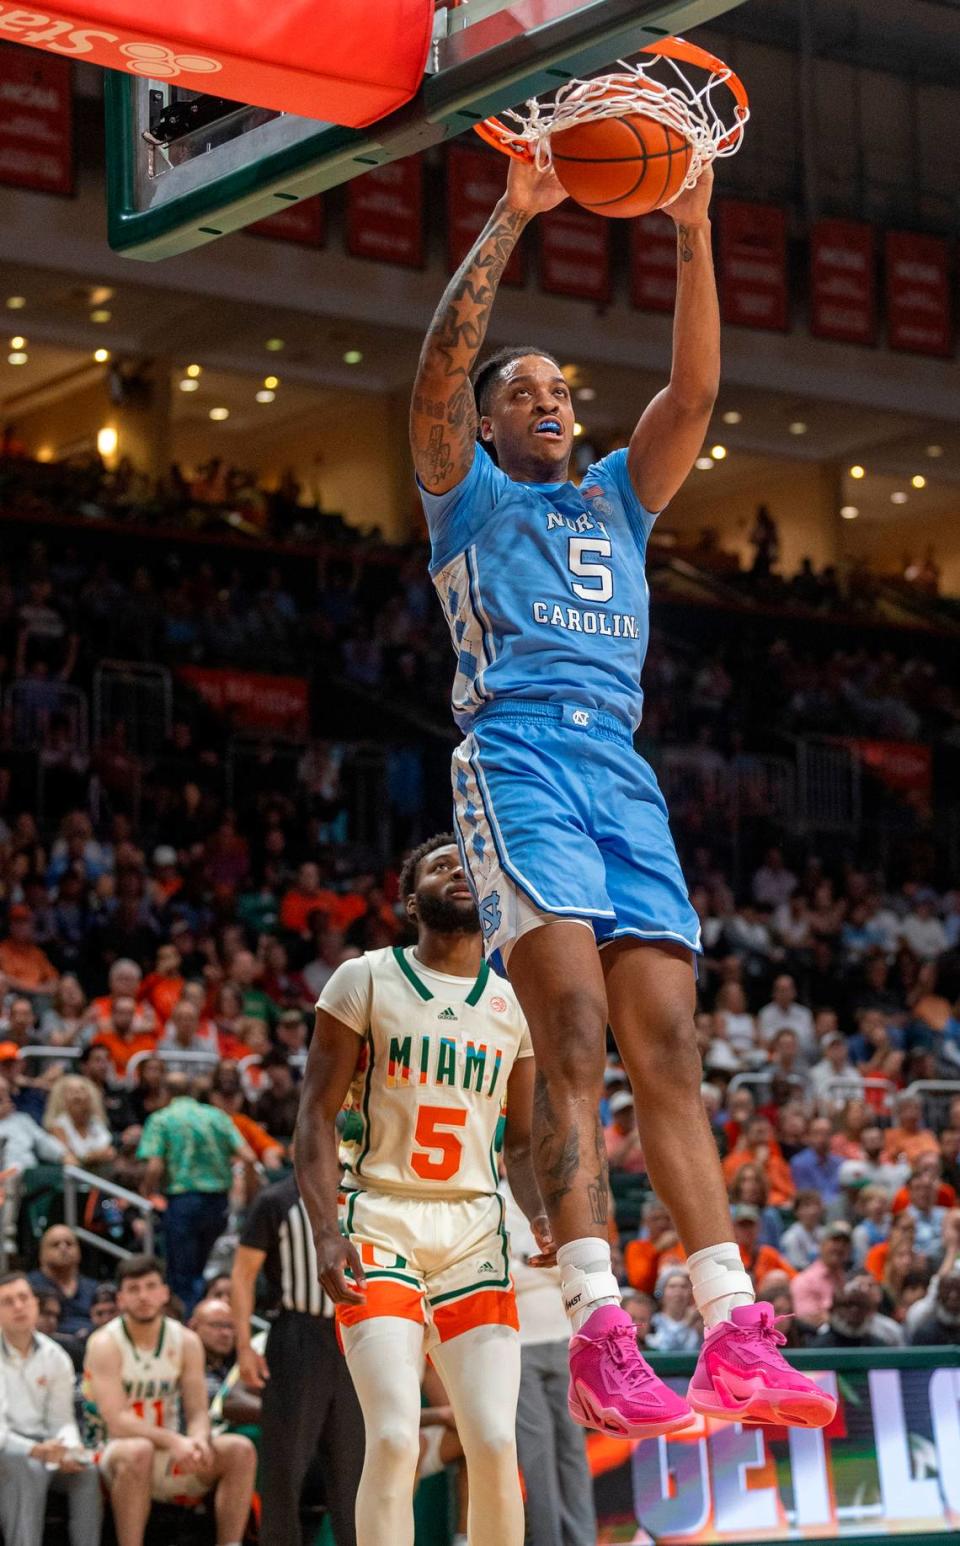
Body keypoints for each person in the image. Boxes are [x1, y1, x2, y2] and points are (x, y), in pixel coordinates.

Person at [408, 153, 833, 1437]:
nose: (547, 399)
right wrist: (513, 216)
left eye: (558, 387)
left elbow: (695, 388)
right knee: (577, 1031)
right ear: (486, 427)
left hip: (621, 769)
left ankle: (733, 1329)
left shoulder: (615, 502)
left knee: (670, 1048)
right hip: (520, 752)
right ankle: (597, 1322)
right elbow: (435, 375)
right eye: (522, 391)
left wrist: (695, 230)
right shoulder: (468, 498)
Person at [295, 834, 541, 1545]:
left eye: (469, 864)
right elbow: (313, 1114)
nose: (458, 871)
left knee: (494, 1441)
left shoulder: (511, 1003)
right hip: (379, 1220)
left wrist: (542, 1215)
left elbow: (520, 1142)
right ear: (412, 902)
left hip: (475, 1229)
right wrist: (324, 1230)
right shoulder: (363, 978)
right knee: (398, 1436)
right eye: (440, 866)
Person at [82, 1255, 256, 1546]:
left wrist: (198, 1439)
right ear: (121, 1299)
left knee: (240, 1449)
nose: (143, 1296)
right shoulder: (104, 1343)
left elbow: (198, 1410)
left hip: (167, 1453)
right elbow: (117, 1420)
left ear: (164, 1293)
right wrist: (175, 1441)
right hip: (111, 1453)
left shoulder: (186, 1341)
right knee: (138, 1450)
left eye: (151, 1287)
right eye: (134, 1289)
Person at [231, 1171, 363, 1546]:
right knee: (285, 1466)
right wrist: (243, 1347)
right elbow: (242, 1275)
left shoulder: (362, 1196)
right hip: (298, 1336)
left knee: (353, 1467)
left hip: (354, 1336)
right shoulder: (277, 1201)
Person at [504, 1181, 596, 1546]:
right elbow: (500, 1274)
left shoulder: (554, 1199)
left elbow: (576, 1266)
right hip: (518, 1343)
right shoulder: (489, 1196)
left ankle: (583, 1539)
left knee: (573, 1449)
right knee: (536, 1453)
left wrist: (528, 1265)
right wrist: (548, 1268)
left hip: (564, 1339)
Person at [0, 1271, 103, 1546]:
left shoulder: (56, 1355)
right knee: (26, 1466)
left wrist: (69, 1448)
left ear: (36, 1303)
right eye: (7, 1302)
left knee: (87, 1471)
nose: (18, 1306)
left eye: (23, 1298)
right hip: (7, 1447)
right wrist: (33, 1450)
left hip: (45, 1446)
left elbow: (62, 1419)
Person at [137, 1073, 253, 1313]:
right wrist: (250, 1194)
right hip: (218, 1202)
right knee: (212, 1269)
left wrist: (146, 1192)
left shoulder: (162, 1119)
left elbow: (155, 1165)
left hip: (183, 1201)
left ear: (164, 1093)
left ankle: (190, 1322)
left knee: (183, 1274)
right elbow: (249, 1156)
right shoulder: (217, 1116)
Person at [28, 1226, 98, 1335]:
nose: (63, 1248)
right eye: (55, 1244)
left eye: (69, 1244)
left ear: (79, 1251)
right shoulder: (29, 1287)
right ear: (41, 1253)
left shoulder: (94, 1288)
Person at [43, 1075, 116, 1170]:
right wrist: (94, 1156)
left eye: (82, 1090)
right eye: (71, 1091)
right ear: (61, 1098)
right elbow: (70, 1159)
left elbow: (109, 1151)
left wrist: (93, 1156)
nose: (77, 1095)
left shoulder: (96, 1122)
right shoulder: (57, 1126)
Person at [790, 1222, 853, 1327]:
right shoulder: (805, 1280)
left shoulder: (849, 1279)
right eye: (835, 1241)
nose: (840, 1247)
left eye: (845, 1243)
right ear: (822, 1245)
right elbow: (807, 1318)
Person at [189, 1297, 236, 1403]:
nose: (226, 1333)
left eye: (230, 1327)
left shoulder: (234, 1371)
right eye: (217, 1325)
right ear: (193, 1327)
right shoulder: (178, 1369)